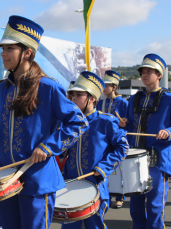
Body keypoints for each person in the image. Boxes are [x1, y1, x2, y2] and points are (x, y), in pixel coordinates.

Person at [0, 15, 89, 229]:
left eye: (9, 48)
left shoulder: (48, 87)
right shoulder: (3, 88)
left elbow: (78, 122)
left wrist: (48, 147)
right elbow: (3, 125)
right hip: (5, 178)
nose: (3, 53)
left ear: (27, 52)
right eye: (2, 49)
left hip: (37, 179)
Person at [120, 54, 171, 229]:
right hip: (134, 161)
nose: (144, 75)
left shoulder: (170, 98)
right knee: (135, 208)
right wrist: (123, 123)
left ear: (159, 75)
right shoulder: (133, 99)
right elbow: (127, 124)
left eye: (149, 71)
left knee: (155, 206)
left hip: (158, 161)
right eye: (142, 71)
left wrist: (169, 131)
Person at [63, 71, 129, 229]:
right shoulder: (69, 122)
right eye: (72, 95)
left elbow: (123, 147)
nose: (73, 99)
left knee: (94, 226)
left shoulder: (105, 121)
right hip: (71, 184)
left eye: (79, 95)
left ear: (92, 98)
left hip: (95, 185)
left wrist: (104, 167)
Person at [97, 69, 128, 209]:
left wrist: (125, 122)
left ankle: (120, 195)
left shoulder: (122, 102)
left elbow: (128, 119)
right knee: (105, 166)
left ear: (114, 87)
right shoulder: (100, 103)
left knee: (119, 168)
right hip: (103, 139)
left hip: (117, 138)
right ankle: (107, 193)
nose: (104, 88)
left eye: (107, 85)